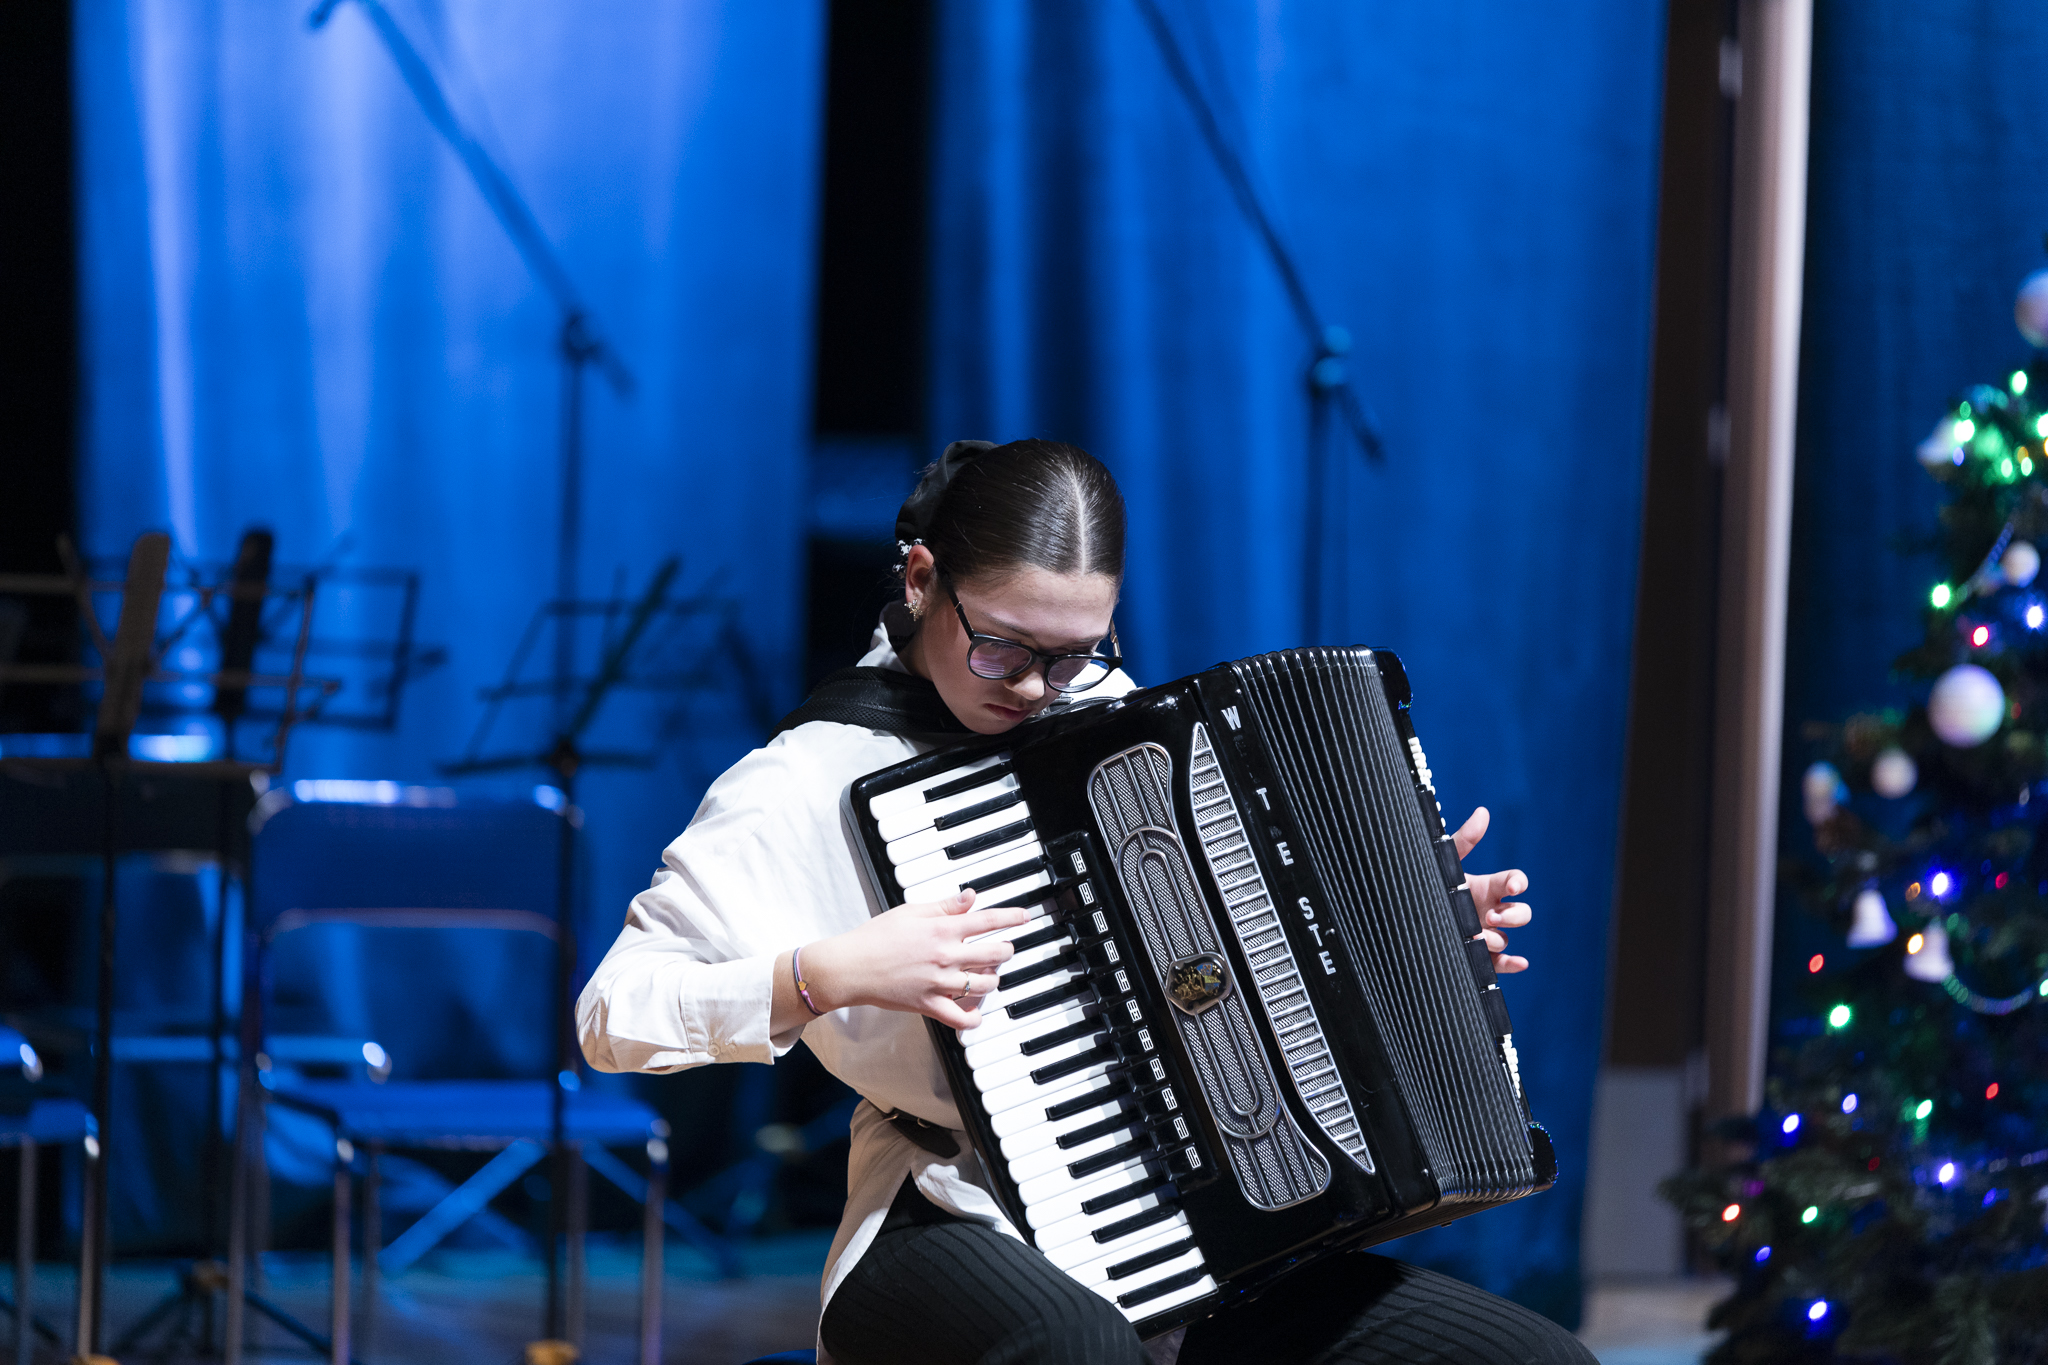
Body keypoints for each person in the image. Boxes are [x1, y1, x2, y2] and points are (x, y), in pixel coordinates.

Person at [579, 439, 1593, 1365]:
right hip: (951, 1206)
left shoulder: (1109, 719)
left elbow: (1229, 953)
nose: (1034, 689)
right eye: (1003, 647)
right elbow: (612, 1015)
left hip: (1197, 1213)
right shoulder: (805, 779)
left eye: (1072, 654)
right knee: (1080, 1350)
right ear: (921, 579)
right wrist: (827, 973)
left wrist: (1415, 929)